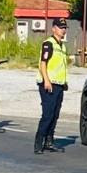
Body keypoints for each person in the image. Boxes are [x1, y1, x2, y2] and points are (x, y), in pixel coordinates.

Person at [34, 17, 70, 154]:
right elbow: (43, 63)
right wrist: (46, 80)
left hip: (59, 84)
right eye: (61, 28)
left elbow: (61, 66)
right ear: (54, 28)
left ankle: (49, 141)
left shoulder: (62, 46)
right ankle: (38, 143)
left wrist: (64, 82)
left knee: (55, 114)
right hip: (48, 84)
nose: (63, 30)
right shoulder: (48, 44)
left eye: (65, 28)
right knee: (48, 114)